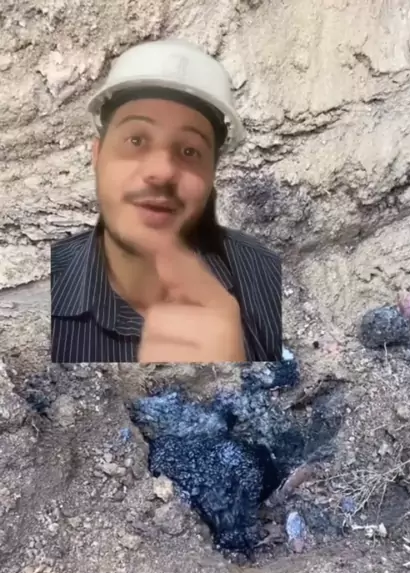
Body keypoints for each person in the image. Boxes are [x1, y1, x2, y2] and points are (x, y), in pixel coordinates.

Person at [50, 38, 282, 363]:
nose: (162, 172)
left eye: (189, 150)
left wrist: (232, 376)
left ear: (212, 174)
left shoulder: (267, 277)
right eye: (136, 140)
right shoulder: (39, 294)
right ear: (98, 156)